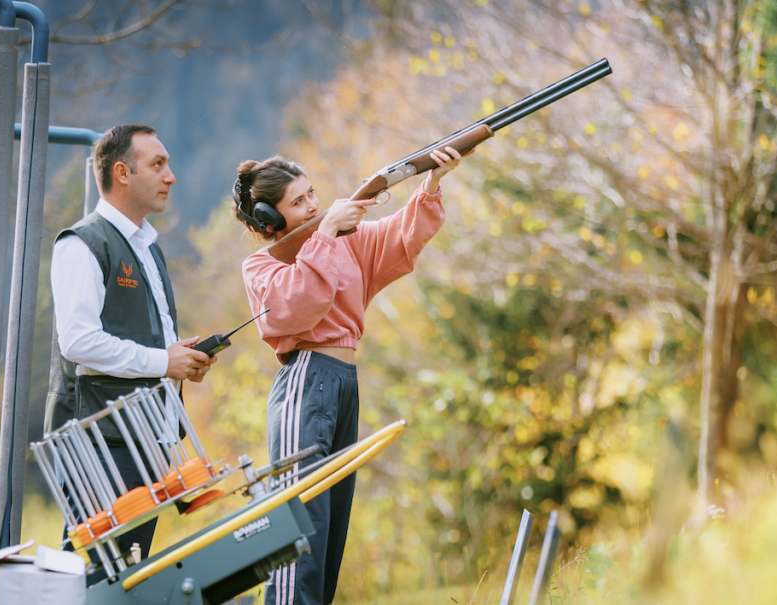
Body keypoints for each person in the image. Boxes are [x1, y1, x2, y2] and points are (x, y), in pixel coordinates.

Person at [231, 146, 471, 605]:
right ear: (269, 220)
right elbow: (298, 306)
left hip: (343, 382)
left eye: (312, 194)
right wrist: (323, 233)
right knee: (301, 523)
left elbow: (400, 238)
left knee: (332, 525)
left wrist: (433, 181)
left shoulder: (342, 239)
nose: (314, 206)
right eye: (298, 202)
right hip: (306, 379)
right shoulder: (261, 265)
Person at [46, 123, 216, 577]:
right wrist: (163, 360)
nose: (171, 176)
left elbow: (138, 337)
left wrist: (179, 356)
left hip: (144, 439)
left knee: (125, 578)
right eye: (158, 164)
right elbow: (77, 342)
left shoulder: (147, 247)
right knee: (93, 576)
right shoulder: (82, 244)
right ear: (122, 173)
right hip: (100, 442)